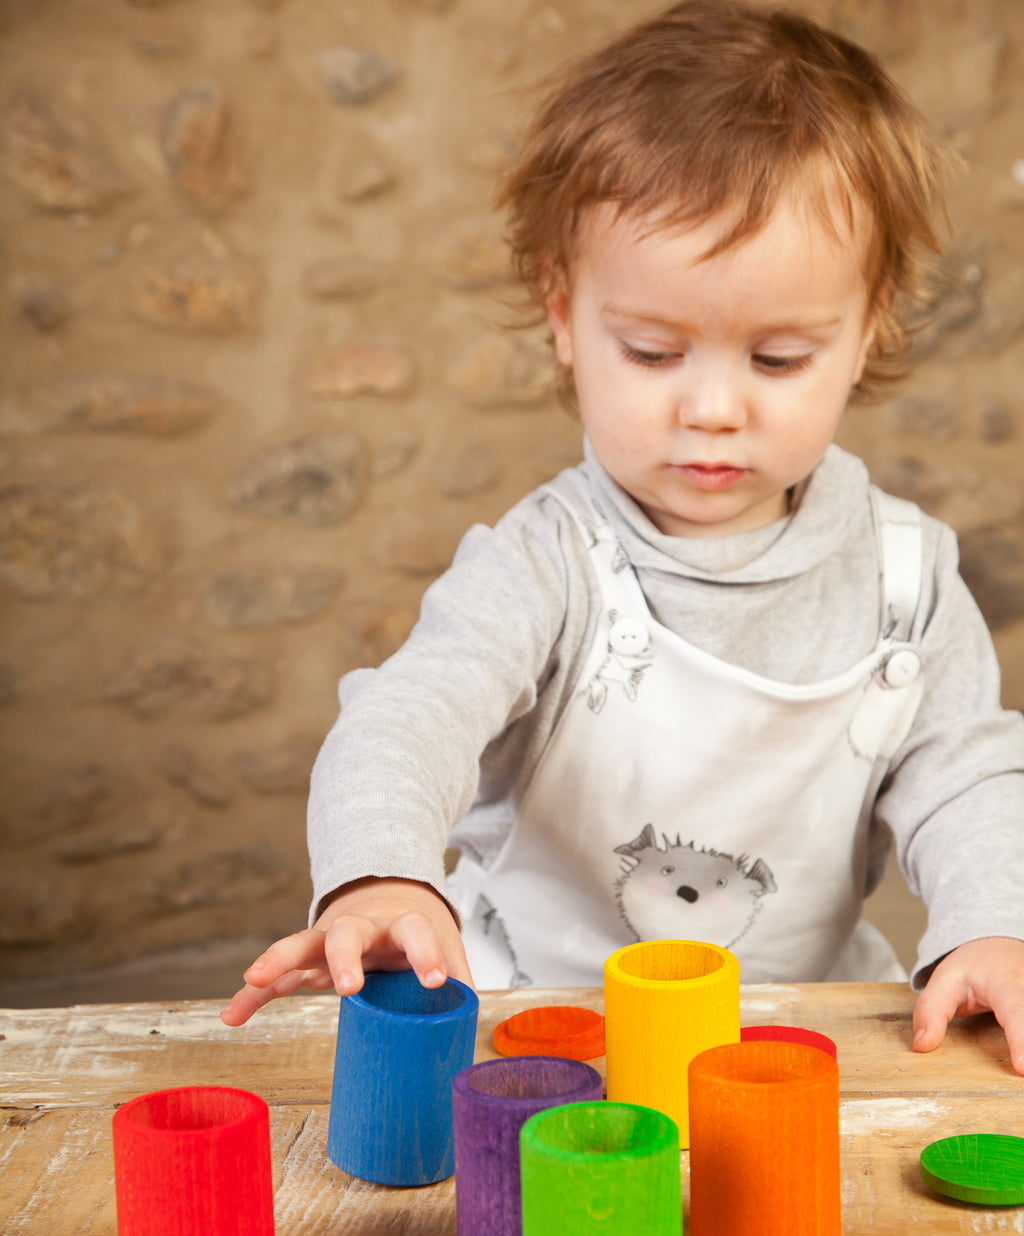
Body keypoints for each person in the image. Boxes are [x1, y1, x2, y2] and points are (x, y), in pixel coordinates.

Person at [222, 1, 1024, 1070]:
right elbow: (409, 716)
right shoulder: (543, 563)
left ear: (868, 324)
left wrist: (993, 924)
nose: (712, 409)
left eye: (778, 358)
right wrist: (382, 872)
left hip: (789, 1038)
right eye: (651, 351)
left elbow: (968, 780)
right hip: (540, 1025)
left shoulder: (906, 579)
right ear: (564, 317)